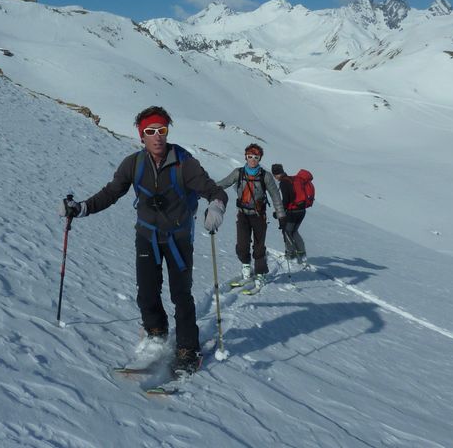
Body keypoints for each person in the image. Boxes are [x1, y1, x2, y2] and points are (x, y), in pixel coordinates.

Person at [57, 106, 228, 375]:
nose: (157, 136)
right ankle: (155, 331)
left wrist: (217, 205)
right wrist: (82, 208)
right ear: (142, 136)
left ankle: (188, 348)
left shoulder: (185, 162)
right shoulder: (133, 164)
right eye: (150, 131)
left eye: (162, 130)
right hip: (147, 235)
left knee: (181, 295)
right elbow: (111, 192)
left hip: (179, 238)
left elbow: (214, 190)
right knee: (146, 291)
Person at [216, 144, 285, 288]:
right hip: (242, 215)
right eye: (250, 156)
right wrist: (206, 190)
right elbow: (223, 184)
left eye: (256, 157)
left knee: (259, 247)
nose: (253, 159)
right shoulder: (238, 173)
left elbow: (275, 196)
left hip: (259, 215)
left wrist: (281, 215)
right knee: (242, 245)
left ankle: (260, 274)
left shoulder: (265, 176)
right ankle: (246, 269)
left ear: (260, 158)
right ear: (246, 157)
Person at [272, 163, 307, 267]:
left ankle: (291, 255)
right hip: (302, 210)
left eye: (275, 175)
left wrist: (278, 212)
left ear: (277, 174)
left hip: (293, 212)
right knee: (294, 231)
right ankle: (302, 253)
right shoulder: (291, 179)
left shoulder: (284, 182)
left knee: (287, 232)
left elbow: (286, 200)